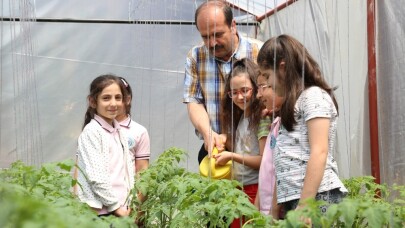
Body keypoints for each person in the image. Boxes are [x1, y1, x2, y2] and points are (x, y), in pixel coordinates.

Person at [257, 34, 347, 218]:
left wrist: (305, 205)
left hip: (319, 198)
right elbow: (284, 159)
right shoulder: (293, 103)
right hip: (298, 198)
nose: (268, 84)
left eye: (267, 75)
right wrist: (275, 207)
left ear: (282, 67)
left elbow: (319, 151)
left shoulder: (313, 96)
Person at [183, 0, 262, 164]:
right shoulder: (196, 57)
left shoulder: (258, 52)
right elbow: (194, 101)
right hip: (215, 148)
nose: (212, 43)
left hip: (254, 149)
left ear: (233, 25)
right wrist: (208, 133)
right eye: (205, 37)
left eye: (218, 35)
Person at [214, 58, 270, 228]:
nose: (239, 97)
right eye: (234, 92)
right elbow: (246, 147)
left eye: (245, 90)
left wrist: (231, 155)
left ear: (257, 87)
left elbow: (264, 161)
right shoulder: (243, 117)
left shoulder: (262, 119)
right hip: (239, 190)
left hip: (255, 191)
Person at [75, 74, 134, 217]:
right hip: (102, 212)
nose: (113, 103)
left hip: (120, 209)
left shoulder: (118, 130)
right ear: (93, 101)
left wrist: (129, 203)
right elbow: (97, 177)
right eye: (106, 98)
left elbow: (127, 171)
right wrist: (116, 208)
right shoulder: (92, 132)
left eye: (118, 98)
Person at [254, 68, 284, 216]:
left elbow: (281, 171)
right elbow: (267, 167)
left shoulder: (285, 128)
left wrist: (274, 210)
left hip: (277, 211)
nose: (258, 95)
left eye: (262, 87)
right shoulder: (276, 124)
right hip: (268, 209)